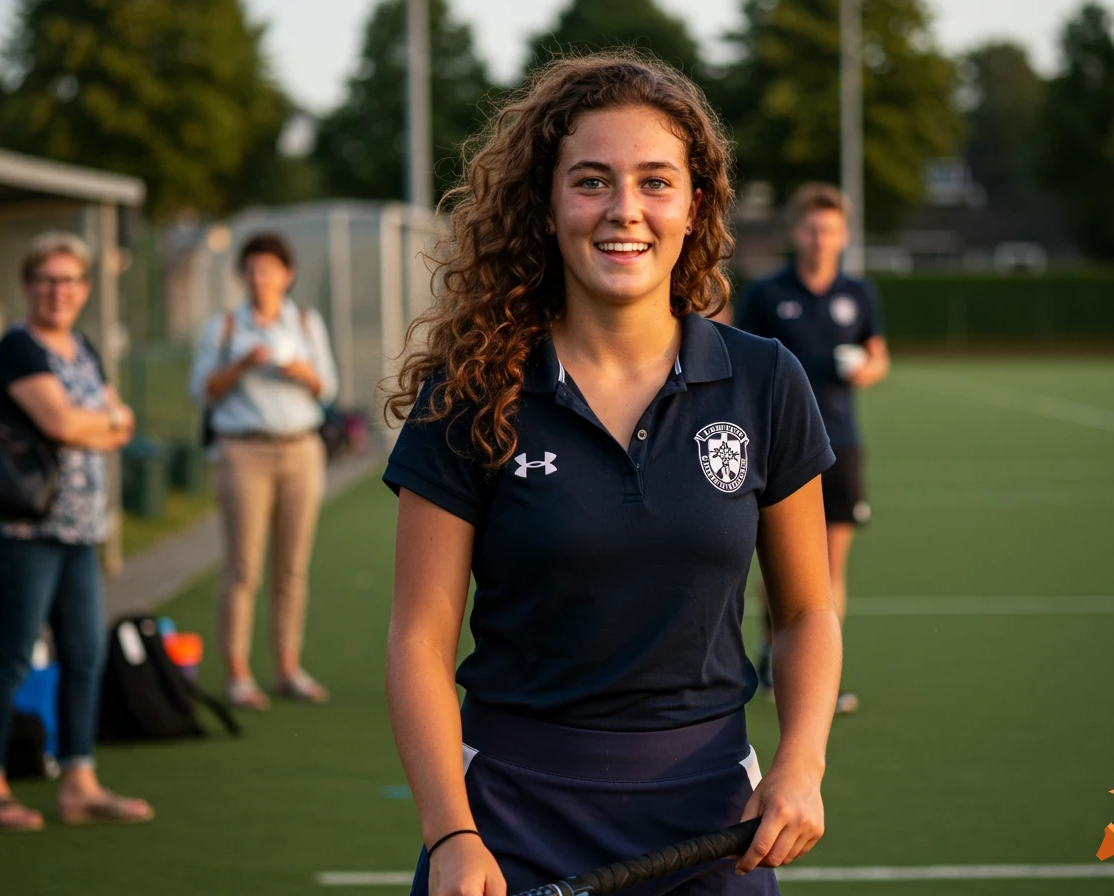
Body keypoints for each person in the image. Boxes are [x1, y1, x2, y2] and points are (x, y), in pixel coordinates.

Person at [382, 55, 843, 896]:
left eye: (655, 182)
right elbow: (419, 639)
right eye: (591, 181)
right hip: (507, 820)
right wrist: (450, 832)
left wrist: (801, 761)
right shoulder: (474, 390)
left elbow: (807, 610)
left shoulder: (765, 379)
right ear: (548, 205)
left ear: (694, 205)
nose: (624, 211)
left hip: (712, 827)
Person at [0, 232, 153, 831]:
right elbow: (64, 424)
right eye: (47, 279)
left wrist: (96, 424)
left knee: (86, 655)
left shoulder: (80, 346)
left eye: (70, 280)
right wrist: (100, 423)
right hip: (22, 531)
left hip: (79, 529)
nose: (58, 291)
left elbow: (115, 423)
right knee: (12, 657)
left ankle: (78, 781)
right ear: (27, 286)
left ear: (86, 289)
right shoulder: (18, 348)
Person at [734, 183, 890, 713]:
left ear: (844, 235)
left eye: (830, 229)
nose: (820, 238)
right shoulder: (767, 293)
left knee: (828, 569)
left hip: (841, 443)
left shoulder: (860, 294)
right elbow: (738, 359)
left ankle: (822, 676)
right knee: (778, 563)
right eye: (811, 228)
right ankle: (770, 650)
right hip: (775, 445)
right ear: (795, 233)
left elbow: (878, 357)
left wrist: (866, 370)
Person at [188, 232, 338, 711]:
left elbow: (327, 389)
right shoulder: (225, 326)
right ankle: (237, 672)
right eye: (252, 269)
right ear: (242, 275)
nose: (260, 278)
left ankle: (287, 667)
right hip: (242, 452)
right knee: (243, 567)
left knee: (292, 568)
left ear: (286, 275)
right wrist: (241, 364)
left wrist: (300, 372)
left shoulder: (305, 323)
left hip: (300, 450)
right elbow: (202, 391)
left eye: (269, 268)